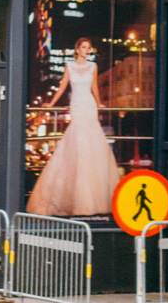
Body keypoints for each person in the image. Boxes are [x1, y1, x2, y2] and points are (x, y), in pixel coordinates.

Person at [26, 35, 122, 217]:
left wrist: (100, 103)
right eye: (84, 47)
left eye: (89, 48)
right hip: (76, 106)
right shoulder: (69, 66)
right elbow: (62, 87)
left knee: (91, 146)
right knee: (76, 144)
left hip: (89, 106)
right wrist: (51, 103)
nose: (87, 50)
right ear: (77, 49)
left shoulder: (93, 66)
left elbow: (94, 87)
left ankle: (92, 199)